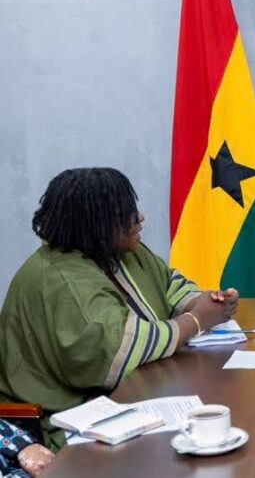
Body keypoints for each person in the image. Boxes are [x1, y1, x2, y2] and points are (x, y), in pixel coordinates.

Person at [0, 168, 239, 449]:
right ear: (97, 226)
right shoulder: (63, 280)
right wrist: (197, 321)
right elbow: (118, 348)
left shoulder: (117, 253)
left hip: (119, 403)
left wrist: (205, 301)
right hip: (61, 422)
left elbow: (167, 283)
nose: (140, 218)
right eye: (127, 215)